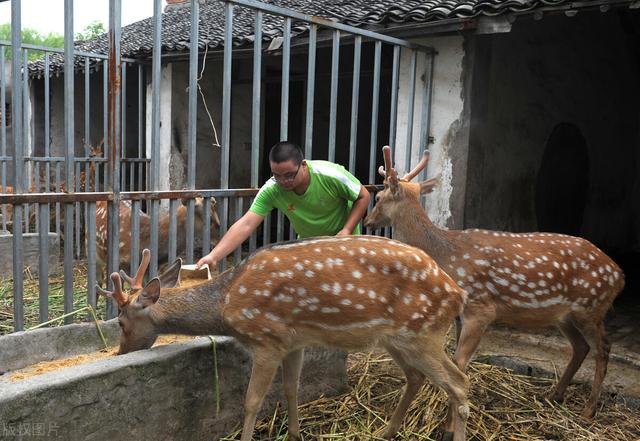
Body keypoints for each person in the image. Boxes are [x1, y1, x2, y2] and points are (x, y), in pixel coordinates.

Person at [196, 141, 371, 270]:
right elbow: (246, 223)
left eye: (288, 175)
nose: (283, 181)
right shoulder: (272, 189)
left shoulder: (330, 175)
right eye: (277, 175)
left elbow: (363, 196)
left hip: (344, 243)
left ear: (303, 166)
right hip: (309, 248)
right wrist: (214, 256)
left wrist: (347, 230)